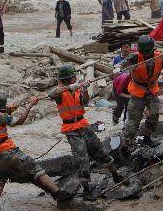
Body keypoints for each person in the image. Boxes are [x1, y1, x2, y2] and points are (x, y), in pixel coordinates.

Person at [0, 93, 72, 206]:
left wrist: (9, 109)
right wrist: (29, 107)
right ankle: (58, 193)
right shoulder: (0, 117)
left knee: (1, 177)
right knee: (36, 169)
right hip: (10, 151)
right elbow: (19, 121)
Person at [51, 64, 124, 200]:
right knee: (82, 158)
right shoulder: (60, 92)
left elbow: (85, 101)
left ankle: (116, 175)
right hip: (71, 129)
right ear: (66, 79)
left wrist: (84, 89)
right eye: (73, 76)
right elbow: (52, 93)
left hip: (83, 125)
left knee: (100, 150)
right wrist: (70, 87)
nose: (75, 78)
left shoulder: (77, 90)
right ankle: (86, 189)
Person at [120, 35, 163, 151]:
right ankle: (124, 148)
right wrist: (119, 67)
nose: (146, 55)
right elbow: (123, 63)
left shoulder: (160, 57)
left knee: (154, 114)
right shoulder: (134, 58)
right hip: (137, 91)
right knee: (133, 120)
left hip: (152, 89)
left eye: (148, 53)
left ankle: (147, 139)